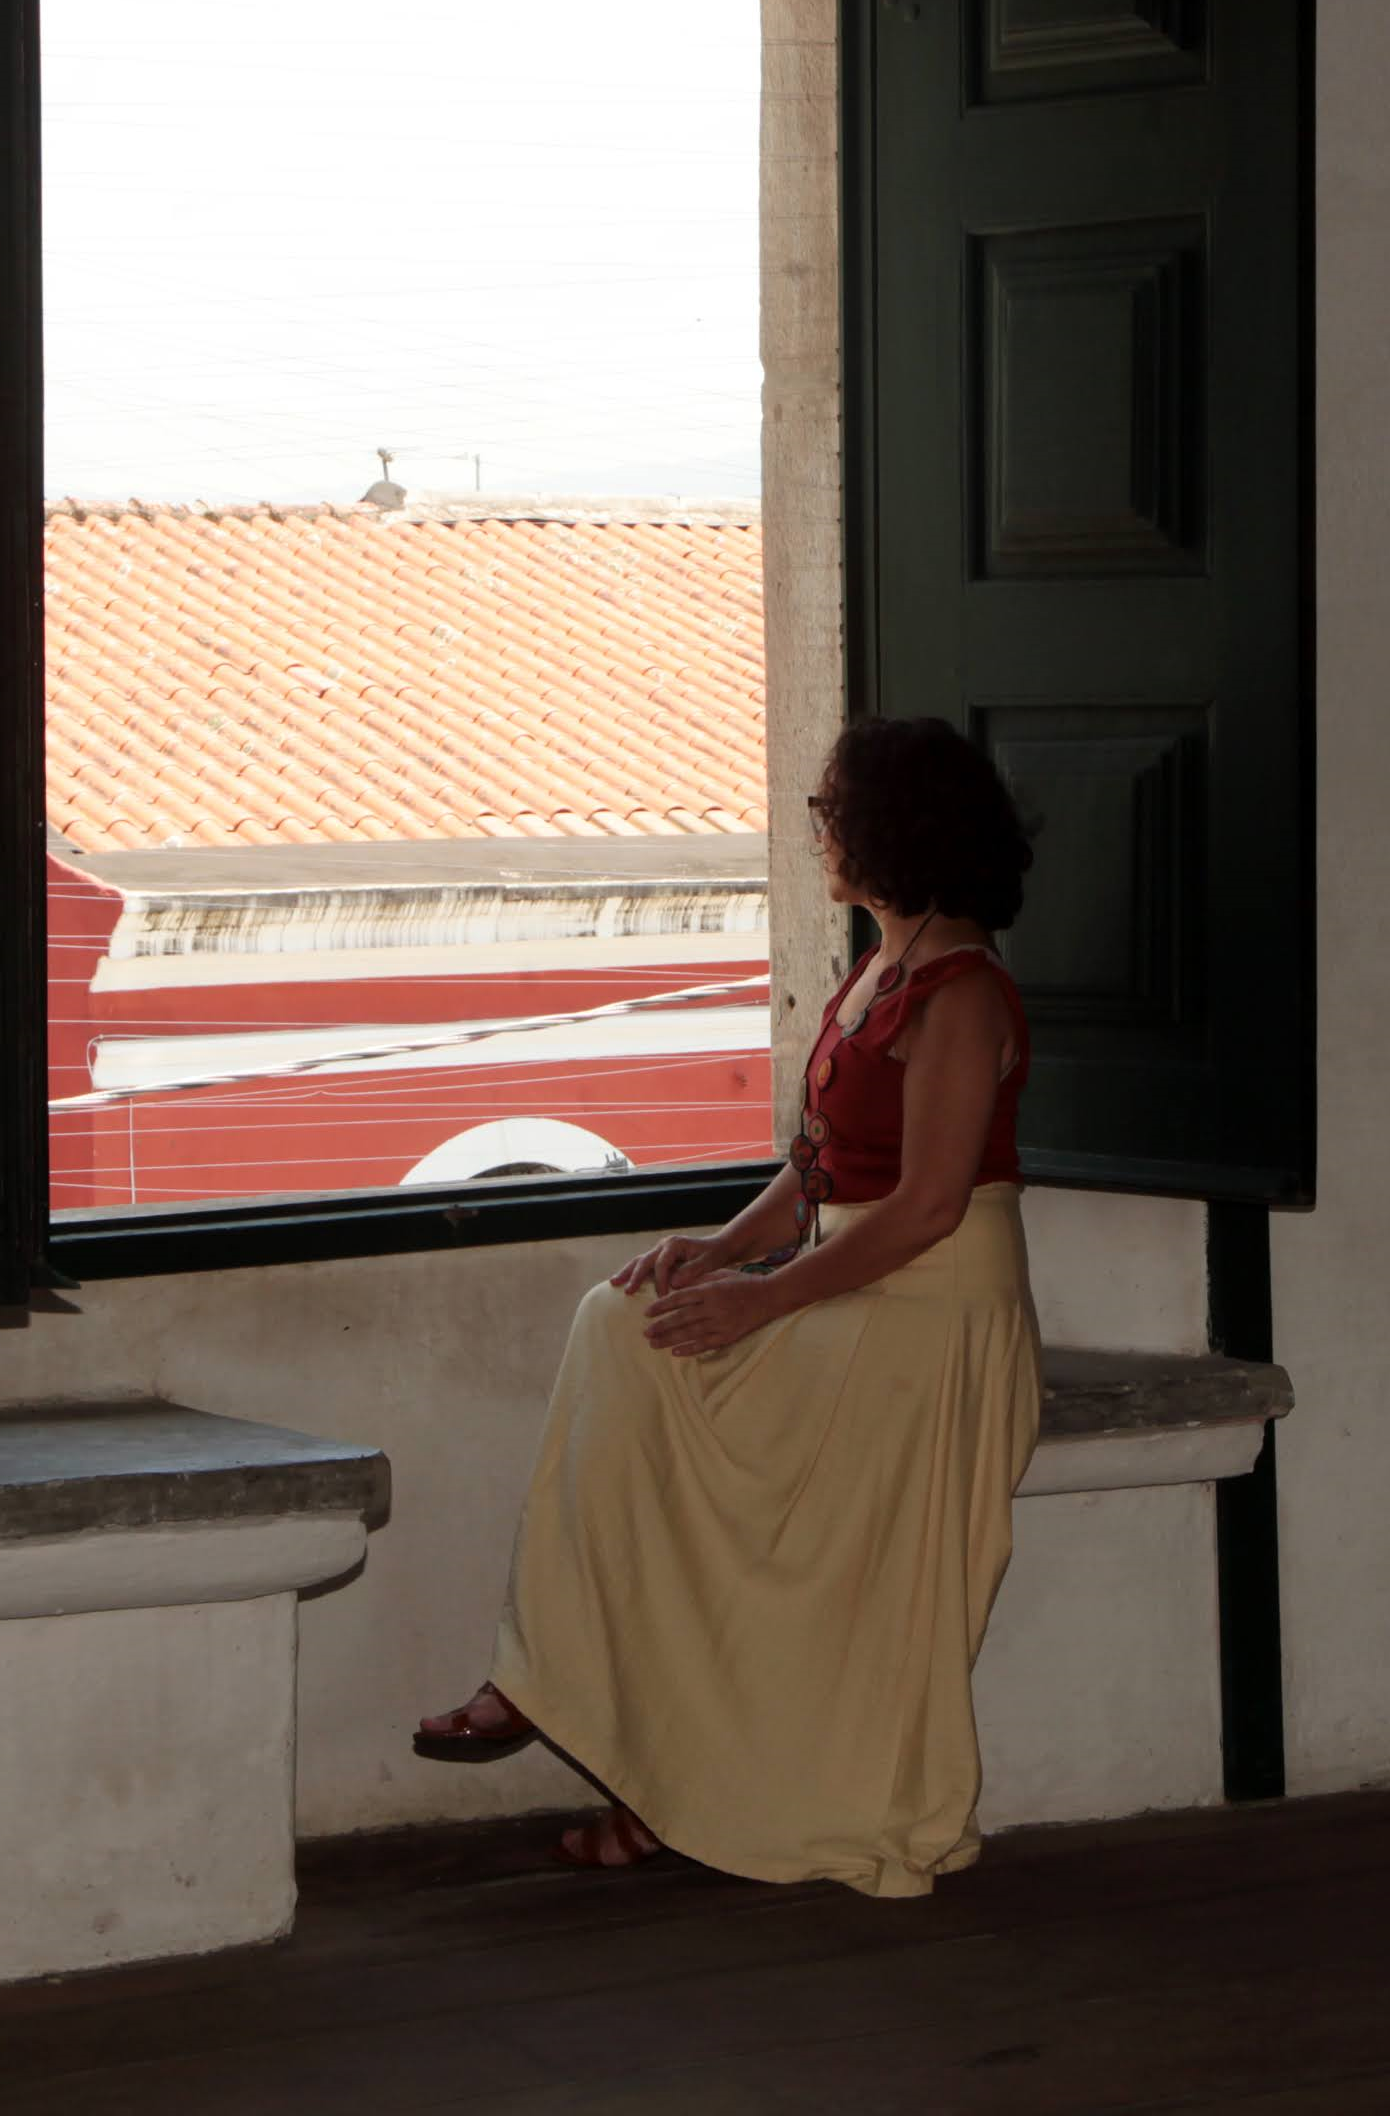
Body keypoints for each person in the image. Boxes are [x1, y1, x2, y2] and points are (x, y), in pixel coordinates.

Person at [414, 713, 1042, 1895]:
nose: (816, 833)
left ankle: (598, 1731)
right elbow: (816, 1167)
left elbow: (924, 1211)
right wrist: (720, 1248)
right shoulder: (880, 965)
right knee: (621, 1322)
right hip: (861, 1283)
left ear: (891, 829)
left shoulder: (962, 991)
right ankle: (589, 1712)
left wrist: (759, 1304)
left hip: (933, 1315)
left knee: (671, 1399)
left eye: (829, 811)